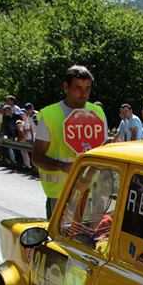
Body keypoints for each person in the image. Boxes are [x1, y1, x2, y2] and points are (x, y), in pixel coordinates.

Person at [33, 65, 108, 219]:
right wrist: (62, 166)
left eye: (87, 88)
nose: (83, 93)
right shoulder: (49, 115)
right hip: (60, 195)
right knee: (60, 242)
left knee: (87, 241)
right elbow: (37, 158)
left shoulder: (97, 112)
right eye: (78, 88)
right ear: (66, 87)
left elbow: (101, 149)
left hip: (91, 192)